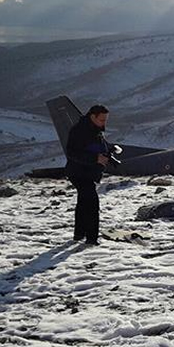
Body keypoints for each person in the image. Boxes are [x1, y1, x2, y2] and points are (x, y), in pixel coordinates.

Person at [65, 104, 111, 245]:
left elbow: (95, 148)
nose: (104, 123)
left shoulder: (95, 130)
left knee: (84, 203)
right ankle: (92, 239)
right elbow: (72, 153)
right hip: (79, 173)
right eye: (102, 120)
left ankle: (79, 234)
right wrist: (95, 159)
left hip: (87, 172)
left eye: (105, 120)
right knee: (91, 204)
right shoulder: (79, 131)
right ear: (93, 117)